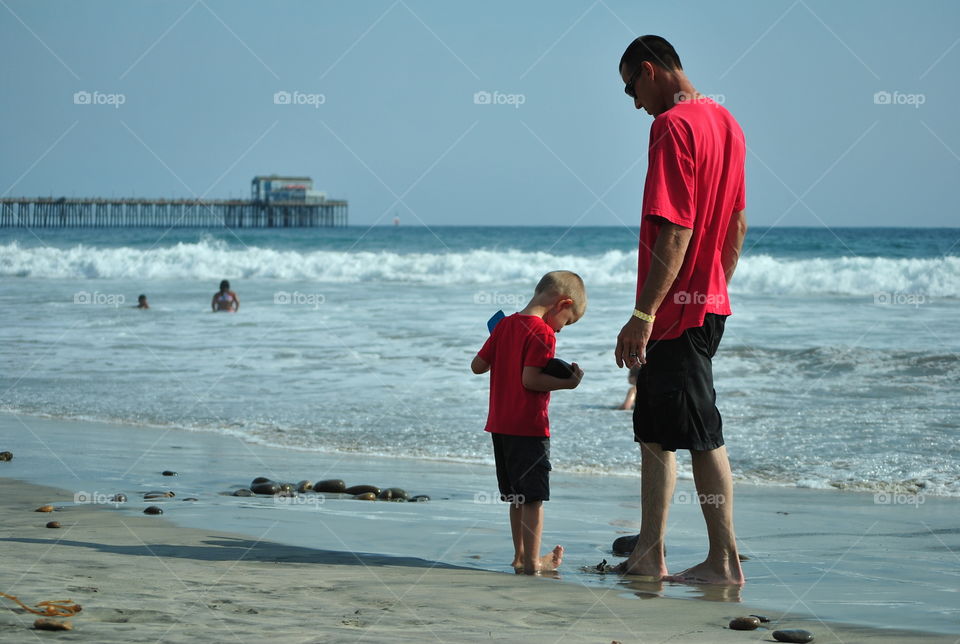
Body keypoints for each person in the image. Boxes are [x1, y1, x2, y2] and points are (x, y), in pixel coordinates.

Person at [613, 35, 748, 585]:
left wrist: (643, 314)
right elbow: (737, 222)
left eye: (631, 87)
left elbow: (675, 228)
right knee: (655, 431)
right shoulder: (727, 121)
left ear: (651, 70)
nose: (633, 101)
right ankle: (650, 551)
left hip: (675, 313)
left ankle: (724, 560)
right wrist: (715, 286)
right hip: (705, 304)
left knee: (701, 432)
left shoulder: (672, 125)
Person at [471, 271, 586, 575]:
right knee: (533, 499)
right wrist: (570, 383)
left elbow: (477, 366)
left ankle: (520, 556)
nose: (561, 331)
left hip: (500, 424)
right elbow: (531, 380)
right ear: (563, 303)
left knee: (516, 497)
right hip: (529, 427)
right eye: (568, 322)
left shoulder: (505, 325)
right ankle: (533, 563)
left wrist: (502, 345)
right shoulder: (543, 333)